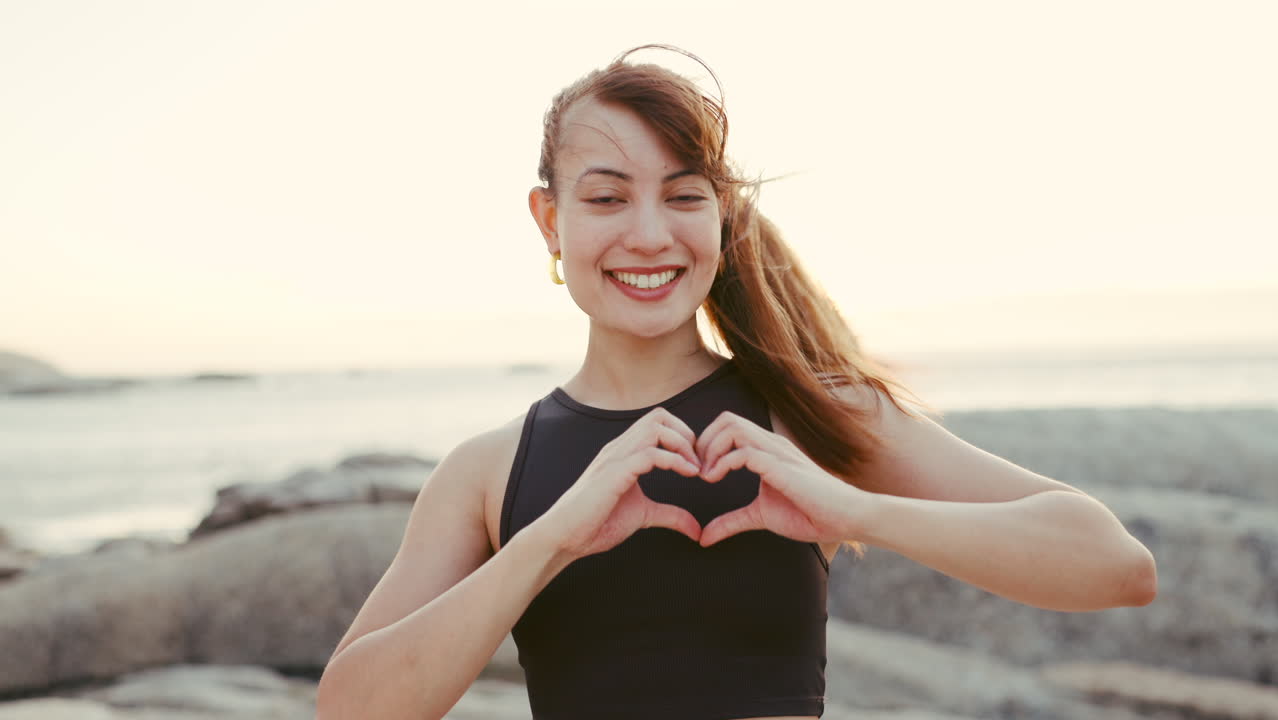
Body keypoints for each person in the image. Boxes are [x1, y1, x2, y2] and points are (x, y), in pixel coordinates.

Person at [315, 44, 1158, 720]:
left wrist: (852, 511)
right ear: (550, 220)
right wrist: (552, 539)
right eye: (607, 199)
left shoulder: (808, 416)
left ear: (717, 212)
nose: (649, 236)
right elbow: (349, 708)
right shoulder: (489, 470)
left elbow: (1116, 566)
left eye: (682, 197)